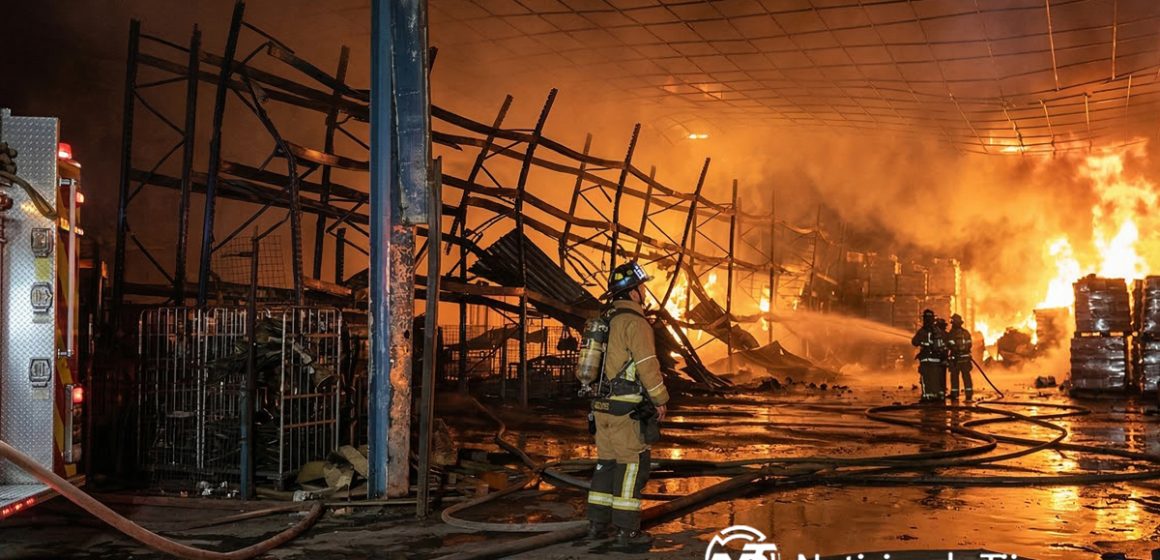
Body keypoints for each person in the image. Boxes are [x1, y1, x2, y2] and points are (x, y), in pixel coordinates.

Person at [586, 261, 670, 548]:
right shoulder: (635, 322)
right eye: (642, 287)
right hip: (626, 409)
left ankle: (597, 525)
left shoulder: (604, 320)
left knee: (605, 465)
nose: (644, 292)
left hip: (600, 409)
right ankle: (626, 531)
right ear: (633, 292)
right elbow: (647, 366)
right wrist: (660, 399)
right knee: (631, 466)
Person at [911, 309, 947, 403]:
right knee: (935, 378)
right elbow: (942, 345)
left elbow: (914, 342)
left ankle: (927, 397)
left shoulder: (922, 331)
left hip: (926, 359)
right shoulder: (938, 331)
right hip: (936, 360)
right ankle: (936, 397)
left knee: (925, 379)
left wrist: (922, 343)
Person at [946, 314, 974, 400]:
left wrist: (955, 350)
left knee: (954, 377)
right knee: (966, 376)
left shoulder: (951, 333)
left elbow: (949, 344)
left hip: (955, 359)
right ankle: (968, 394)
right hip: (965, 359)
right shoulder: (966, 333)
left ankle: (955, 394)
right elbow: (969, 344)